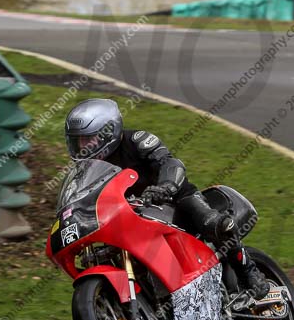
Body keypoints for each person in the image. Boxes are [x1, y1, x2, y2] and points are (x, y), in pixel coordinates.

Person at [64, 98, 269, 298]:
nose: (83, 147)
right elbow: (80, 197)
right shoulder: (86, 172)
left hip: (173, 201)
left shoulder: (137, 140)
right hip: (129, 217)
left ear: (108, 131)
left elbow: (169, 162)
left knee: (215, 223)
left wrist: (165, 186)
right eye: (78, 141)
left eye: (87, 139)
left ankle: (249, 273)